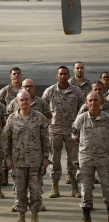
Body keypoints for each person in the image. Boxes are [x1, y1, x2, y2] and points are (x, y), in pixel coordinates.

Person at [3, 90, 50, 222]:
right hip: (18, 162)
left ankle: (35, 218)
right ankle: (21, 218)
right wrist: (8, 159)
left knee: (35, 190)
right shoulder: (11, 118)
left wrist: (46, 157)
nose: (24, 102)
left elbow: (45, 139)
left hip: (35, 161)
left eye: (26, 99)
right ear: (17, 102)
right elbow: (7, 141)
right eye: (21, 100)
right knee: (20, 190)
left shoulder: (40, 118)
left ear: (30, 101)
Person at [42, 66, 85, 198]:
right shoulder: (50, 91)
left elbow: (83, 108)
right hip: (55, 131)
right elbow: (42, 108)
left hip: (71, 131)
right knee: (55, 160)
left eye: (65, 74)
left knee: (73, 160)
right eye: (60, 74)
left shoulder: (76, 91)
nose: (62, 76)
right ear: (57, 76)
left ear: (68, 75)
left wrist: (78, 125)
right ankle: (55, 188)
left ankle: (74, 187)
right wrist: (48, 121)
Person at [72, 92, 109, 222]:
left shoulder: (107, 118)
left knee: (107, 188)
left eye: (95, 100)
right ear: (86, 103)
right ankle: (86, 217)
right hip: (86, 159)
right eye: (90, 100)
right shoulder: (81, 119)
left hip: (104, 159)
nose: (93, 103)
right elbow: (75, 136)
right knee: (86, 189)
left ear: (101, 102)